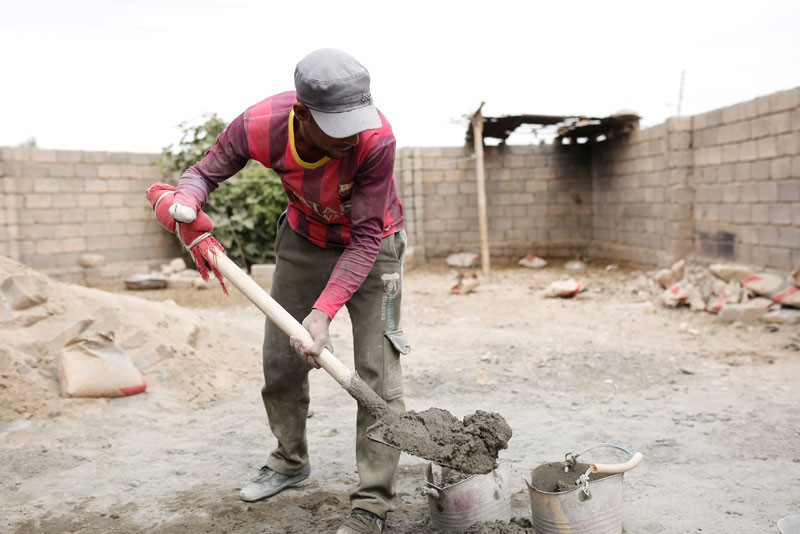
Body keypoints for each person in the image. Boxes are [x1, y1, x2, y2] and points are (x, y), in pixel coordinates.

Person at [167, 48, 408, 534]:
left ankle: (372, 502)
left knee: (378, 375)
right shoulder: (261, 124)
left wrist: (323, 312)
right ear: (302, 115)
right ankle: (289, 460)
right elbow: (202, 173)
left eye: (356, 121)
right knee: (280, 360)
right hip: (303, 238)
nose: (352, 136)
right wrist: (186, 202)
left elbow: (363, 239)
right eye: (337, 128)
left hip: (374, 245)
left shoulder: (376, 140)